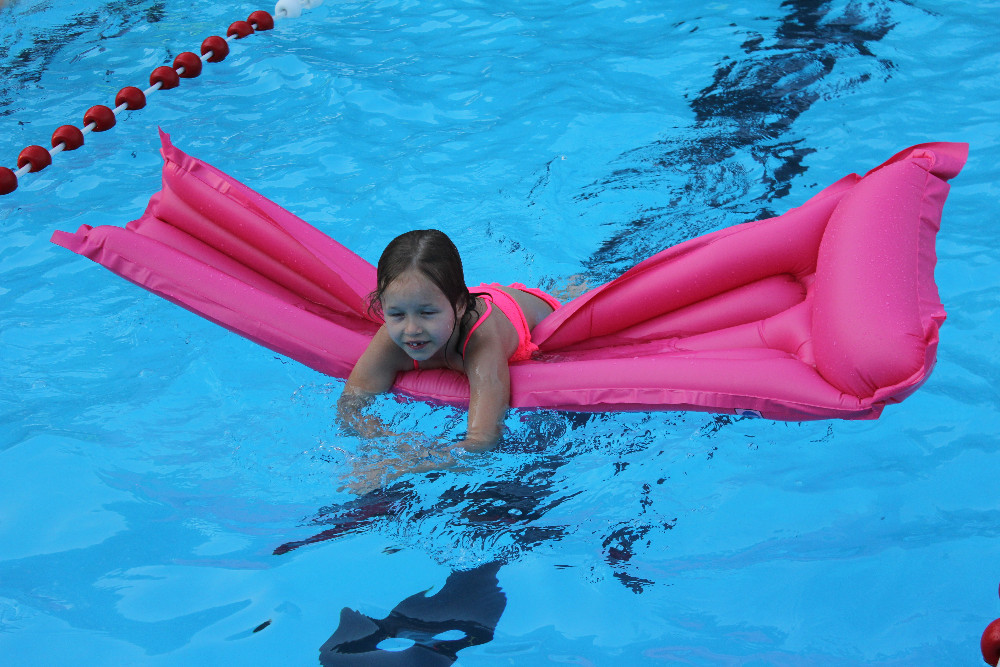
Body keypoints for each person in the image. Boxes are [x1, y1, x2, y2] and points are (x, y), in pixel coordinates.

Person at [337, 229, 560, 459]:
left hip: (531, 309)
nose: (411, 329)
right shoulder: (393, 336)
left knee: (564, 299)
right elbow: (351, 402)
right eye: (397, 314)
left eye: (427, 313)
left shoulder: (481, 341)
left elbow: (483, 439)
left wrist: (404, 464)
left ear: (460, 306)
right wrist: (379, 437)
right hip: (454, 297)